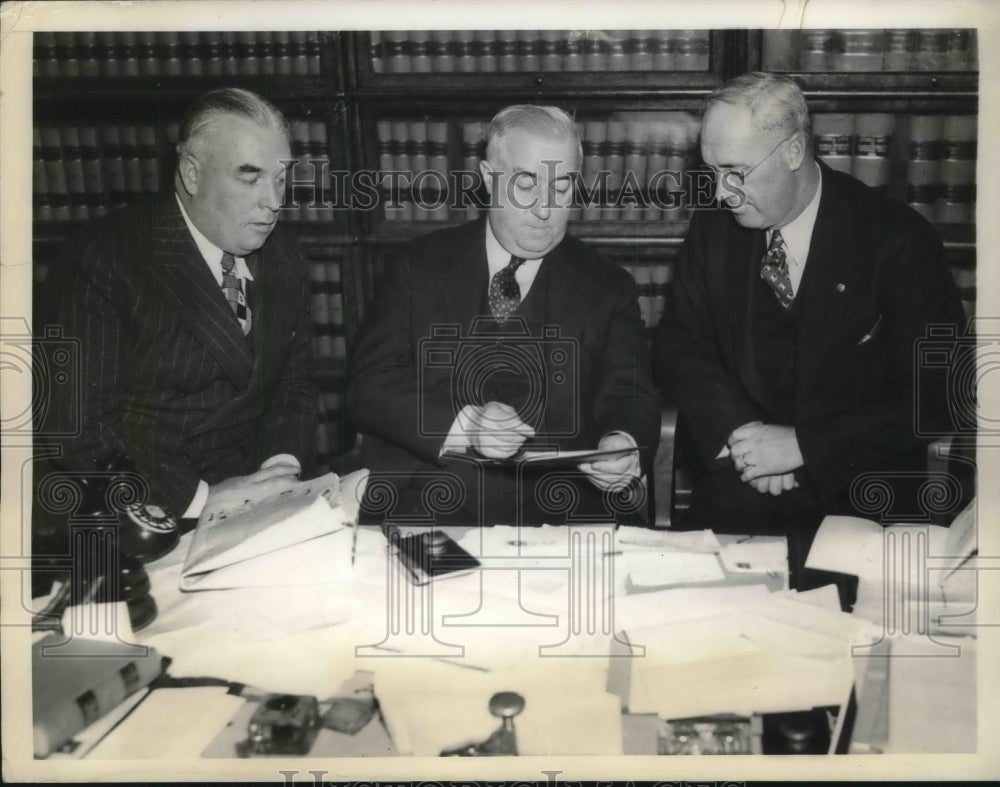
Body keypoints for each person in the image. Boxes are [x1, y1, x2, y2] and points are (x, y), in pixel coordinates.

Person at [655, 73, 967, 590]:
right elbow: (677, 345)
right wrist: (743, 438)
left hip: (863, 493)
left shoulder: (897, 238)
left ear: (794, 150)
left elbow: (942, 395)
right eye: (710, 171)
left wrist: (806, 445)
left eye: (735, 171)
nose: (720, 192)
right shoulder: (712, 231)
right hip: (741, 483)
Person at [348, 104, 661, 527]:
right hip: (430, 497)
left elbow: (630, 394)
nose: (545, 210)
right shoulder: (416, 266)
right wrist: (465, 426)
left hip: (567, 506)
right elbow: (369, 386)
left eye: (563, 186)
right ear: (488, 178)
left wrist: (621, 443)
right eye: (526, 184)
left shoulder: (609, 285)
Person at [40, 88, 317, 526]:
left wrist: (278, 472)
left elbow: (294, 387)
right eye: (250, 178)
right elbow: (80, 428)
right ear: (191, 174)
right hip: (142, 509)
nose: (274, 201)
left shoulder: (286, 256)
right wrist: (202, 499)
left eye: (281, 178)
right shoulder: (103, 256)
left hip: (254, 498)